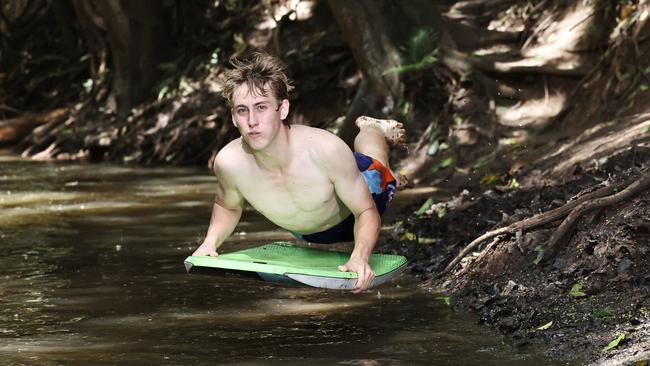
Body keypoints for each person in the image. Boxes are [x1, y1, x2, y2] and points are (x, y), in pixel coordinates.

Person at [192, 52, 405, 293]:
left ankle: (372, 128)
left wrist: (360, 256)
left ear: (282, 109)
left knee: (378, 168)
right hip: (307, 232)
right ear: (233, 117)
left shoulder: (326, 149)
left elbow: (366, 210)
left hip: (360, 205)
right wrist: (209, 243)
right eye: (242, 110)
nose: (252, 120)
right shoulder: (229, 163)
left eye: (261, 107)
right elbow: (228, 206)